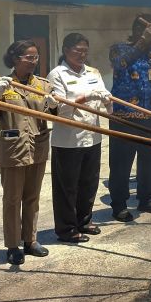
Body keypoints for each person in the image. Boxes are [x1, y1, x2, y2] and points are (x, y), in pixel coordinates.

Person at [0, 40, 56, 264]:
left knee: (32, 197)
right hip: (12, 150)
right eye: (28, 58)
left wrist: (52, 104)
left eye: (36, 58)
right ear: (15, 59)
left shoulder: (42, 85)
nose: (33, 62)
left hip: (37, 147)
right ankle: (13, 245)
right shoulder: (1, 84)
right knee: (12, 199)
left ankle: (30, 241)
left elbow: (55, 112)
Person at [108, 14, 151, 222]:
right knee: (121, 163)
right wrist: (143, 41)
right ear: (140, 30)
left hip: (150, 112)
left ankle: (146, 198)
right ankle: (119, 204)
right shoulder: (119, 48)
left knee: (149, 159)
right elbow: (121, 64)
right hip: (125, 116)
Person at [47, 33, 109, 243]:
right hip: (68, 139)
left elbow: (102, 99)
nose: (82, 54)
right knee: (67, 186)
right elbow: (60, 109)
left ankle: (84, 221)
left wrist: (107, 102)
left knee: (89, 182)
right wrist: (85, 97)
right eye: (77, 50)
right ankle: (66, 229)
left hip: (93, 135)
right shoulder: (57, 74)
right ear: (66, 50)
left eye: (85, 50)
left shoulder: (93, 72)